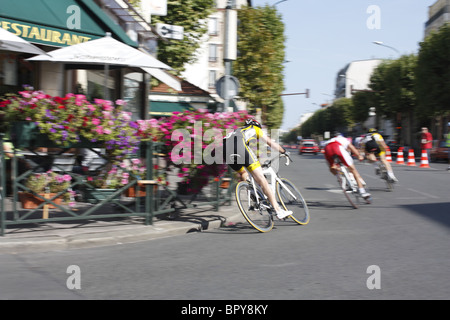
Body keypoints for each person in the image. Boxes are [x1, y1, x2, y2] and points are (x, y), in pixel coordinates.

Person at [223, 118, 292, 220]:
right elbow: (270, 143)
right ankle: (278, 210)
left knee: (243, 172)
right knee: (262, 179)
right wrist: (283, 151)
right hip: (240, 148)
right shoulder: (255, 128)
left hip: (226, 151)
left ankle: (253, 196)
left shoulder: (236, 131)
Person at [324, 132, 371, 200]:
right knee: (353, 170)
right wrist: (359, 156)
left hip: (327, 149)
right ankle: (362, 192)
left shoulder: (330, 140)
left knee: (332, 167)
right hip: (337, 148)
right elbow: (352, 147)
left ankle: (339, 177)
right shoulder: (344, 139)